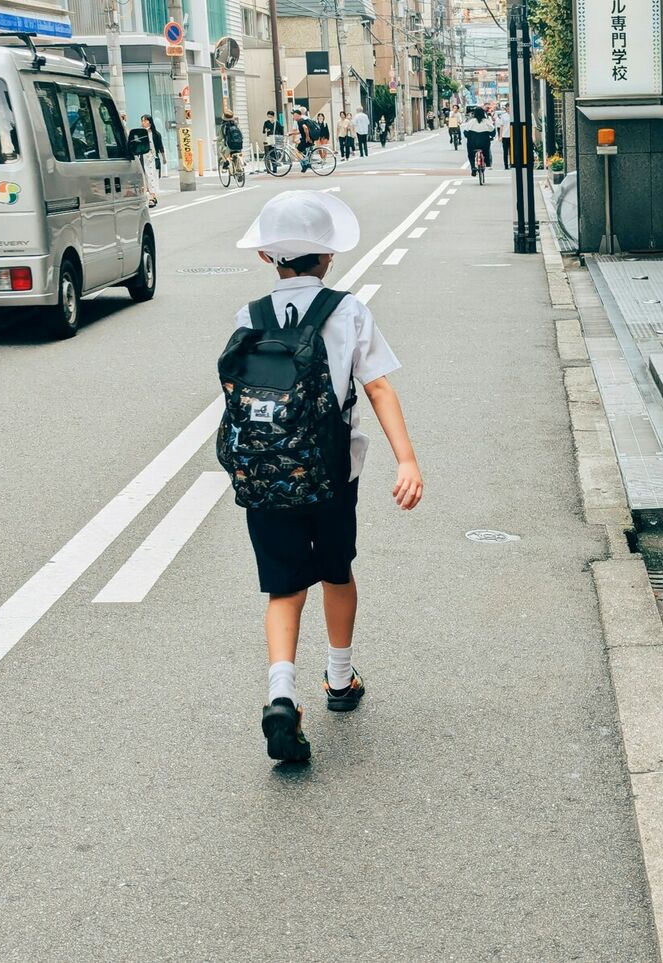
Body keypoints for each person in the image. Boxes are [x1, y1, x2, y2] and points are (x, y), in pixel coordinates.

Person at [231, 191, 424, 762]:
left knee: (283, 587)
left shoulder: (248, 317)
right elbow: (378, 387)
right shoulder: (348, 311)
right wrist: (407, 460)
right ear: (328, 256)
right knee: (336, 571)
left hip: (265, 474)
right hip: (333, 471)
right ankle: (340, 679)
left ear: (267, 256)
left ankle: (281, 694)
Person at [138, 114, 164, 207]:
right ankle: (152, 197)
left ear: (150, 121)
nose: (143, 122)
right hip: (143, 158)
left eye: (145, 120)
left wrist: (164, 158)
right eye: (142, 121)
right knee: (146, 178)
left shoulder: (156, 134)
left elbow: (160, 146)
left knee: (152, 177)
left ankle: (152, 198)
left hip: (153, 158)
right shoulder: (140, 134)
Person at [461, 106, 495, 178]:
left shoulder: (471, 121)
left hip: (472, 143)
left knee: (471, 154)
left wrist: (469, 137)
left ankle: (473, 167)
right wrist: (492, 136)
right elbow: (493, 131)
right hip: (484, 143)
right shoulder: (486, 121)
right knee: (486, 151)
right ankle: (487, 163)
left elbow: (465, 132)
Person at [293, 107, 317, 172]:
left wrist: (307, 137)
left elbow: (305, 128)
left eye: (294, 115)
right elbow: (301, 131)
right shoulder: (303, 119)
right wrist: (291, 133)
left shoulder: (300, 121)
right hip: (308, 139)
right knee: (300, 152)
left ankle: (306, 163)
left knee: (296, 151)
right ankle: (304, 166)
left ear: (297, 115)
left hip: (305, 140)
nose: (293, 117)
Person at [493, 102, 511, 169]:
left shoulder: (515, 115)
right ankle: (506, 165)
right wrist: (500, 136)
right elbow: (501, 126)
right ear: (506, 108)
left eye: (510, 108)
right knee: (505, 152)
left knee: (512, 151)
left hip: (513, 136)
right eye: (508, 108)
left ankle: (512, 164)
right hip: (505, 136)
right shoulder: (503, 116)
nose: (509, 109)